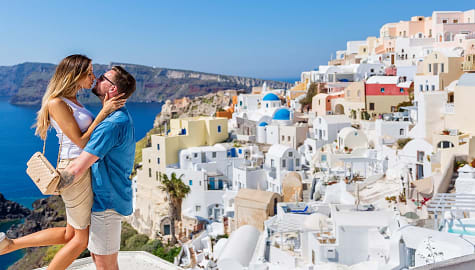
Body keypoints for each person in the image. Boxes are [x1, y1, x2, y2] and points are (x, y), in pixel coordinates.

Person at [0, 54, 125, 269]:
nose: (93, 78)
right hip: (75, 168)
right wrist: (103, 113)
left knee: (70, 233)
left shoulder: (73, 101)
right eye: (88, 73)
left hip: (81, 166)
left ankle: (9, 245)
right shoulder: (57, 103)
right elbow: (82, 141)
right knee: (79, 240)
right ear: (73, 75)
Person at [58, 65, 136, 270]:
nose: (96, 79)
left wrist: (52, 183)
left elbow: (78, 167)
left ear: (112, 91)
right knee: (98, 258)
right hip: (104, 199)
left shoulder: (112, 124)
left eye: (102, 78)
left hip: (107, 203)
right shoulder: (114, 117)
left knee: (104, 266)